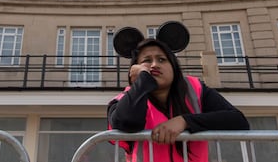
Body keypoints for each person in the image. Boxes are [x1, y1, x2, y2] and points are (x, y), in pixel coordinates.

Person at [107, 38, 250, 162]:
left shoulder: (195, 90)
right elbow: (126, 124)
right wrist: (142, 80)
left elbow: (238, 121)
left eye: (162, 59)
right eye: (146, 61)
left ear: (173, 66)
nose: (155, 64)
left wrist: (185, 121)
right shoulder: (124, 99)